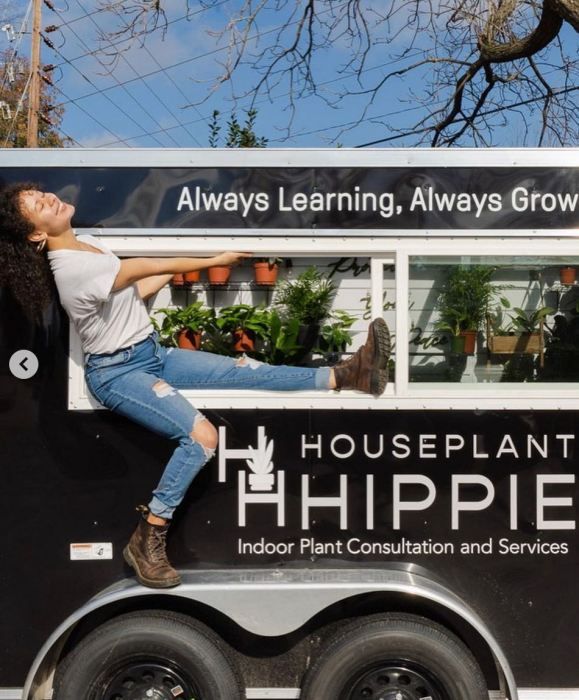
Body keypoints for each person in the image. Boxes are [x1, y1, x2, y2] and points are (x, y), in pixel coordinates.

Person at [0, 183, 390, 588]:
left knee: (245, 368)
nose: (47, 198)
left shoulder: (91, 245)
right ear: (36, 235)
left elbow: (137, 290)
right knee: (202, 438)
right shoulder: (71, 268)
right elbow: (140, 269)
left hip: (150, 354)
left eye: (41, 193)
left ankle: (344, 375)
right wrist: (214, 258)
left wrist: (194, 264)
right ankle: (147, 535)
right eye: (37, 206)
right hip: (116, 374)